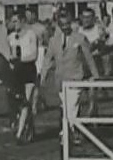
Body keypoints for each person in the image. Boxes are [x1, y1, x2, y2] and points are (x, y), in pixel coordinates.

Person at [41, 11, 100, 145]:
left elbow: (89, 58)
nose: (65, 27)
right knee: (66, 107)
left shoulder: (80, 38)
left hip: (75, 78)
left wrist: (95, 75)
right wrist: (43, 75)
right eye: (62, 25)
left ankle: (65, 134)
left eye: (67, 24)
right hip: (61, 80)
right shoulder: (53, 41)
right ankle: (74, 133)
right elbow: (48, 59)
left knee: (71, 107)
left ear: (71, 24)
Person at [8, 13, 39, 143]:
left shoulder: (31, 34)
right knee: (19, 102)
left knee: (26, 101)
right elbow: (9, 54)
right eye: (12, 21)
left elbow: (34, 55)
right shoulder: (11, 37)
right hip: (16, 71)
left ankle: (19, 133)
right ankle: (29, 128)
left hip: (28, 69)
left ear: (22, 21)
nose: (14, 24)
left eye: (16, 21)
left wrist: (20, 59)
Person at [25, 8, 49, 114]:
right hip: (27, 54)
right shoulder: (24, 27)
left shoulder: (41, 28)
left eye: (29, 15)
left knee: (36, 80)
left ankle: (34, 105)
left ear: (34, 15)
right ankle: (38, 101)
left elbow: (47, 43)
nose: (28, 17)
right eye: (26, 15)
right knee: (27, 81)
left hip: (39, 54)